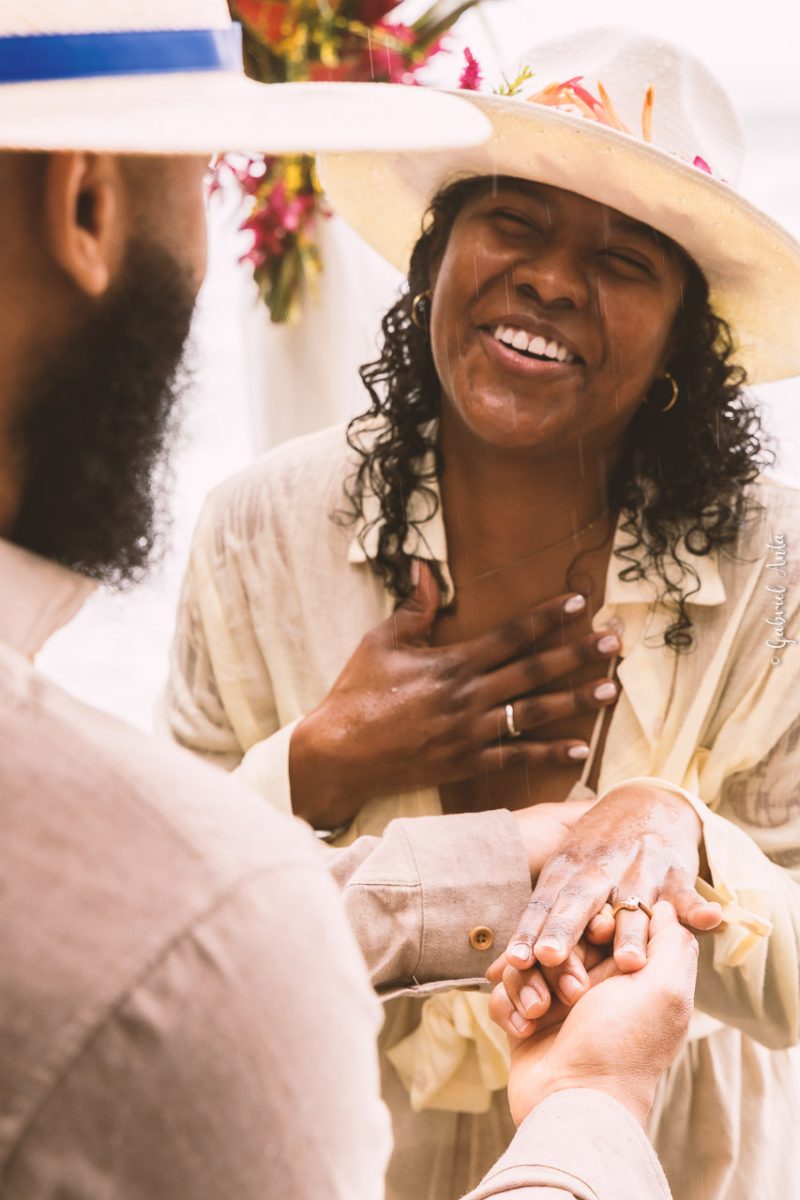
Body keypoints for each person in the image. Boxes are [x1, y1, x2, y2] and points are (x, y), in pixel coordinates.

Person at [0, 5, 696, 1199]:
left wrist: (641, 830)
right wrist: (592, 1109)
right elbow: (196, 920)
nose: (550, 279)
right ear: (87, 204)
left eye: (624, 258)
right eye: (199, 178)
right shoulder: (186, 933)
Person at [165, 24, 800, 1200]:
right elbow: (158, 918)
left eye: (622, 261)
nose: (550, 279)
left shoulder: (778, 570)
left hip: (665, 1157)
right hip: (335, 1146)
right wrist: (316, 764)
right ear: (433, 255)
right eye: (511, 219)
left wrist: (676, 834)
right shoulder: (257, 529)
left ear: (681, 338)